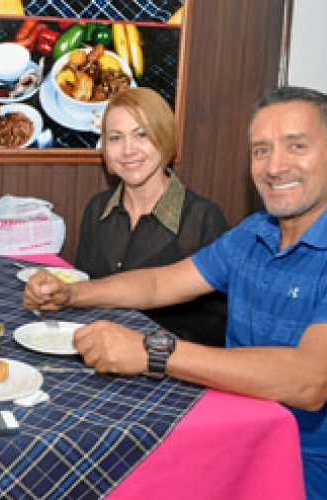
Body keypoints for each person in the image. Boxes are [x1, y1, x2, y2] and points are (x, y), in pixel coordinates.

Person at [24, 86, 327, 499]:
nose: (275, 166)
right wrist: (71, 294)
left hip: (310, 471)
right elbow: (158, 283)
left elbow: (310, 380)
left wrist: (153, 352)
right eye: (261, 150)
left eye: (296, 146)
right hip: (234, 433)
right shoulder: (254, 233)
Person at [76, 87, 228, 346]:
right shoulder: (96, 209)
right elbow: (82, 295)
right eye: (115, 137)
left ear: (165, 138)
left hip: (169, 375)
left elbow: (215, 330)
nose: (128, 150)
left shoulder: (204, 220)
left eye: (141, 135)